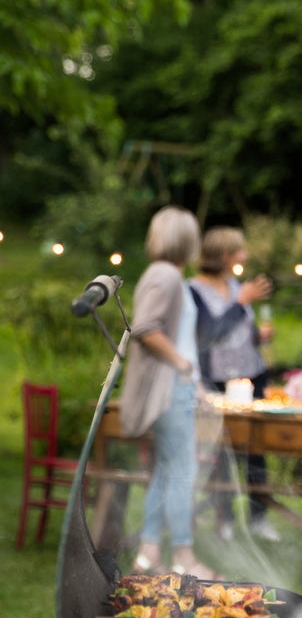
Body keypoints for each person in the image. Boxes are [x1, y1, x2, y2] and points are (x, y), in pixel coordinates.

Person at [119, 206, 219, 579]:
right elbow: (145, 328)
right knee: (182, 472)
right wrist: (183, 366)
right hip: (169, 393)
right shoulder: (164, 275)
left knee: (167, 470)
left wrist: (195, 383)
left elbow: (175, 336)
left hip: (179, 390)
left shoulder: (170, 275)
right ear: (186, 239)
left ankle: (147, 554)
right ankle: (183, 557)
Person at [189, 226, 280, 543]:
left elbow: (241, 332)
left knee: (256, 449)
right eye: (239, 251)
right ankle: (224, 519)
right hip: (216, 380)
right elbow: (208, 334)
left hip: (251, 374)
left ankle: (259, 519)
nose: (244, 256)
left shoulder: (235, 285)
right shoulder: (194, 291)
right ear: (225, 255)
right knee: (223, 452)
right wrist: (241, 302)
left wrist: (258, 336)